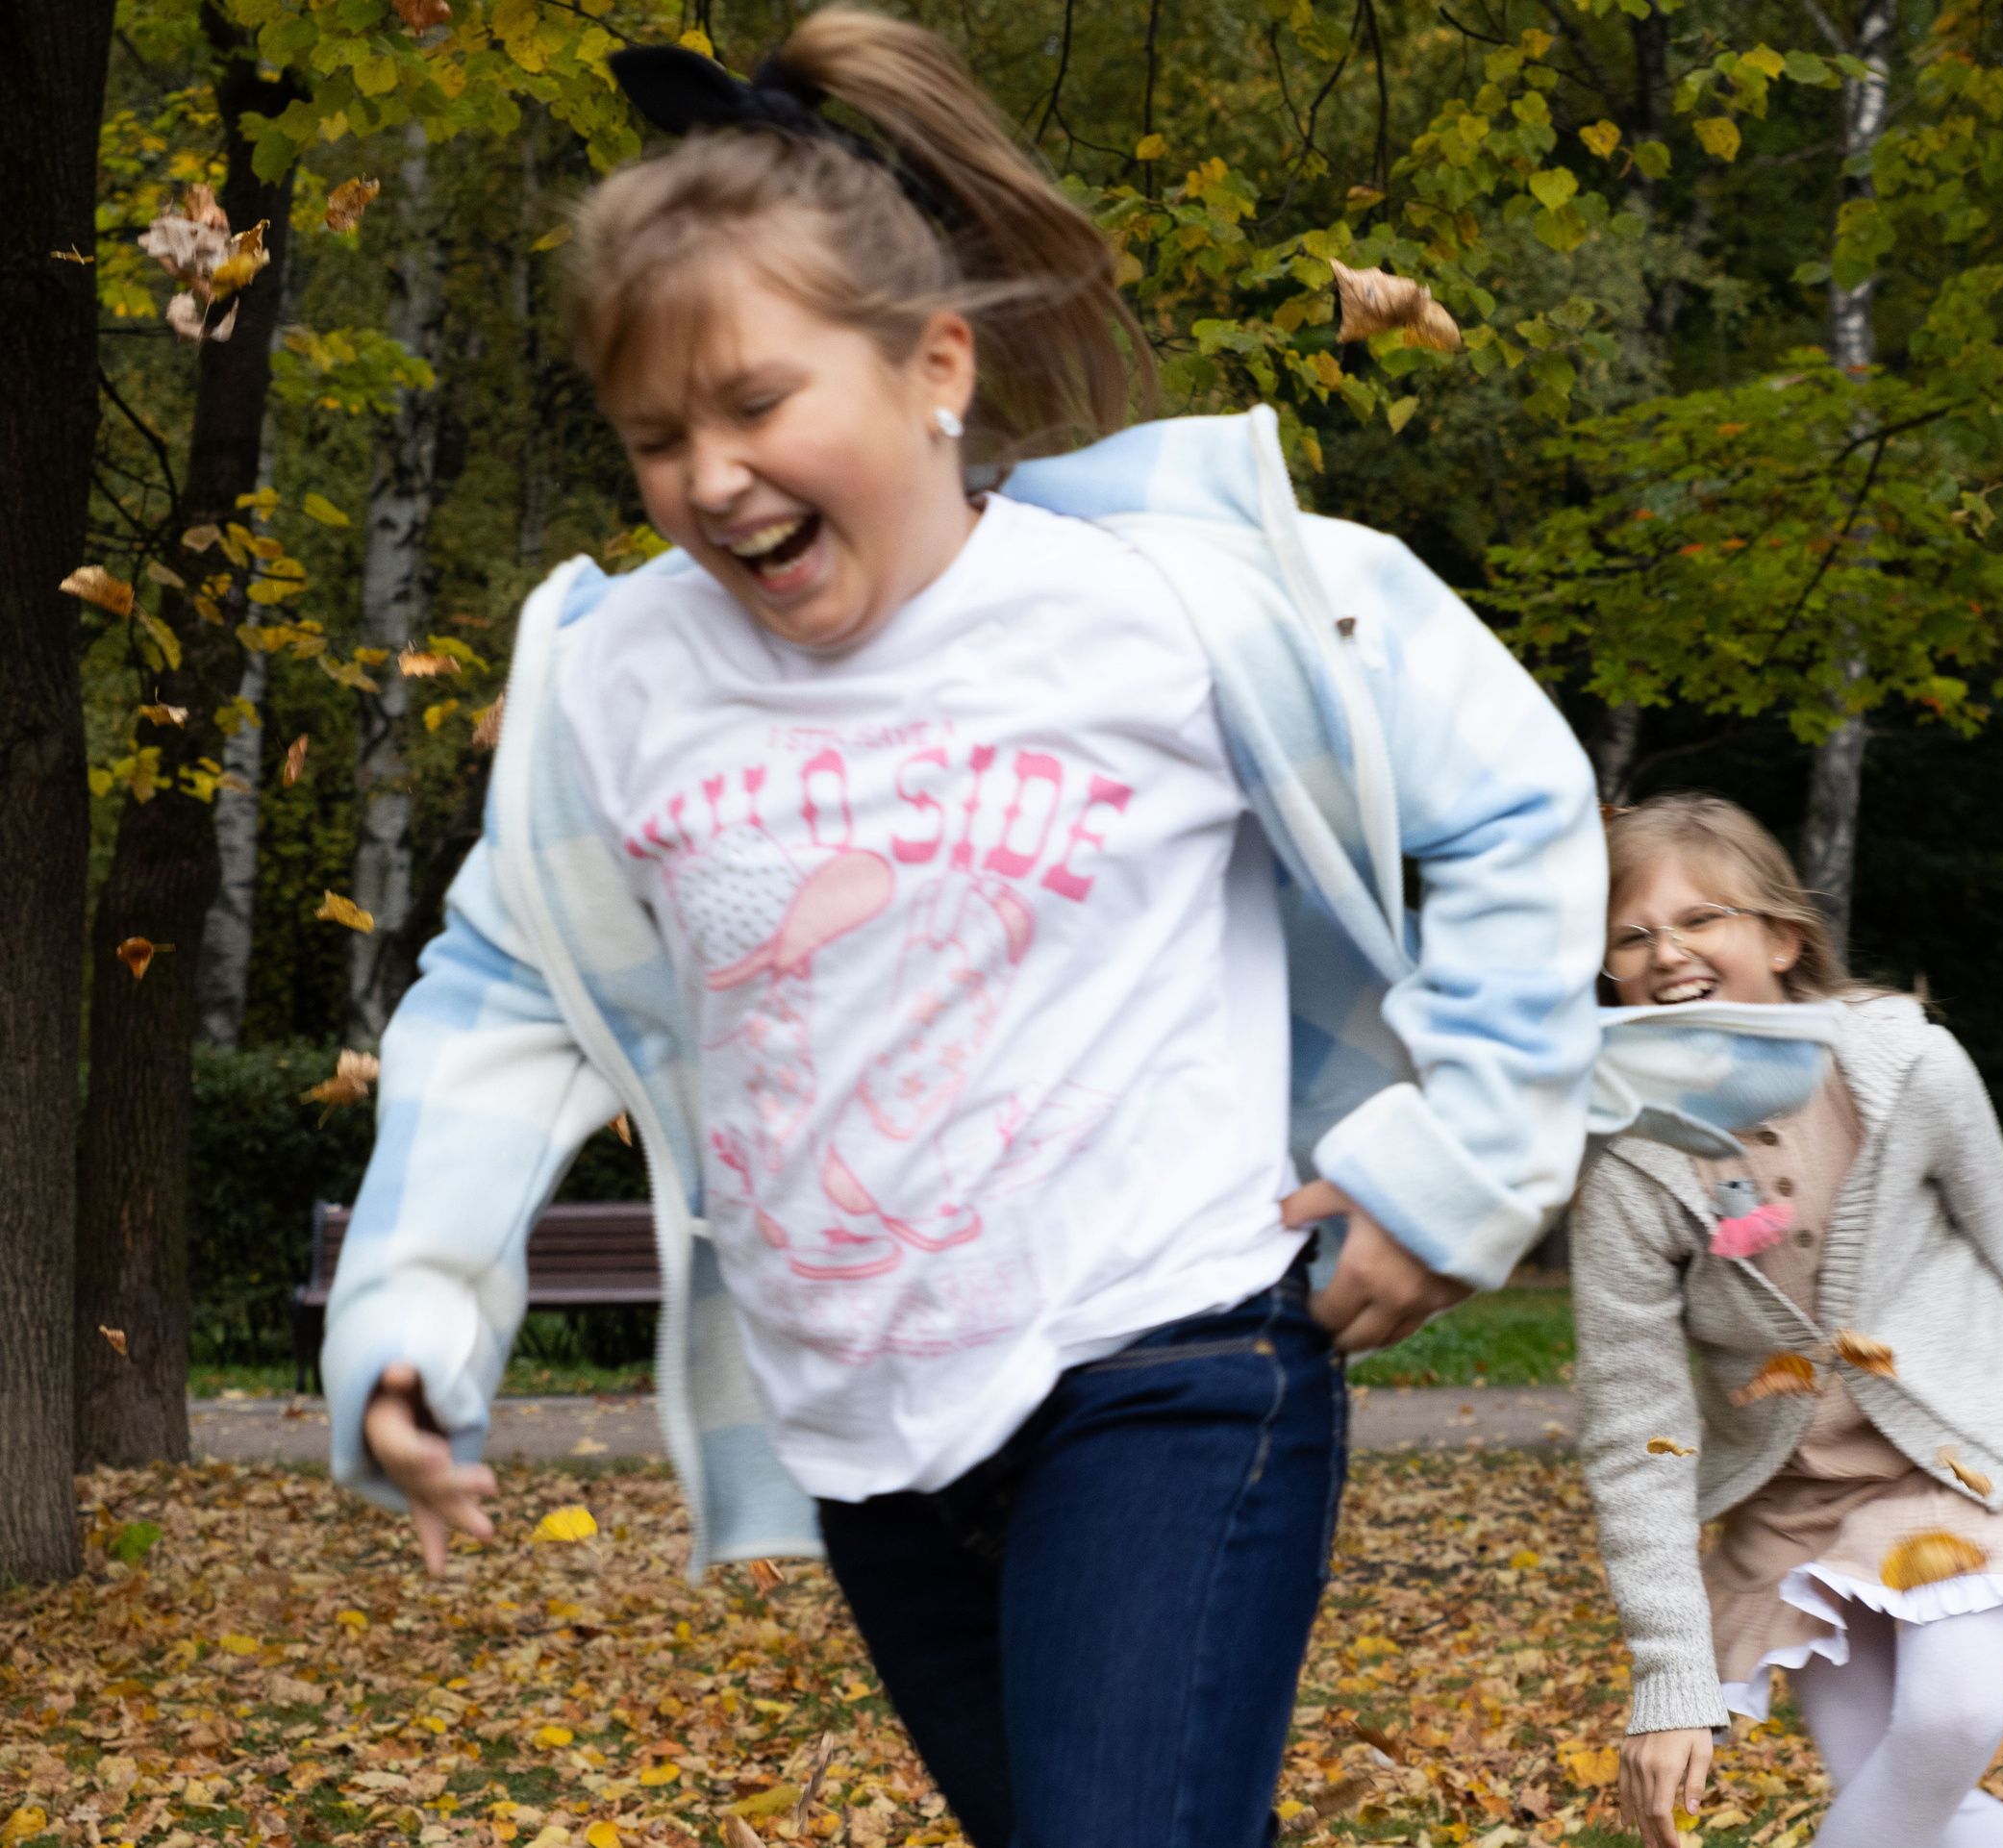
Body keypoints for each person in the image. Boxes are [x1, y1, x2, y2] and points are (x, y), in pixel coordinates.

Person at [317, 12, 1607, 1846]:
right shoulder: (625, 681)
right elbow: (504, 991)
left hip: (1176, 1351)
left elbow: (1515, 805)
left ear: (934, 363)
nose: (708, 475)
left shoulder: (1175, 601)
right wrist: (416, 1307)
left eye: (758, 404)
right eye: (655, 434)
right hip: (872, 1433)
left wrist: (1460, 1162)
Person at [1571, 794, 2003, 1848]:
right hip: (1796, 1505)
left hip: (1951, 1459)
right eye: (1631, 934)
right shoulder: (1630, 1164)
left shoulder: (1907, 1069)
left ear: (1780, 936)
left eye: (1699, 918)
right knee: (1907, 1804)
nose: (1665, 949)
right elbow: (1633, 1430)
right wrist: (1670, 1676)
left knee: (1951, 1721)